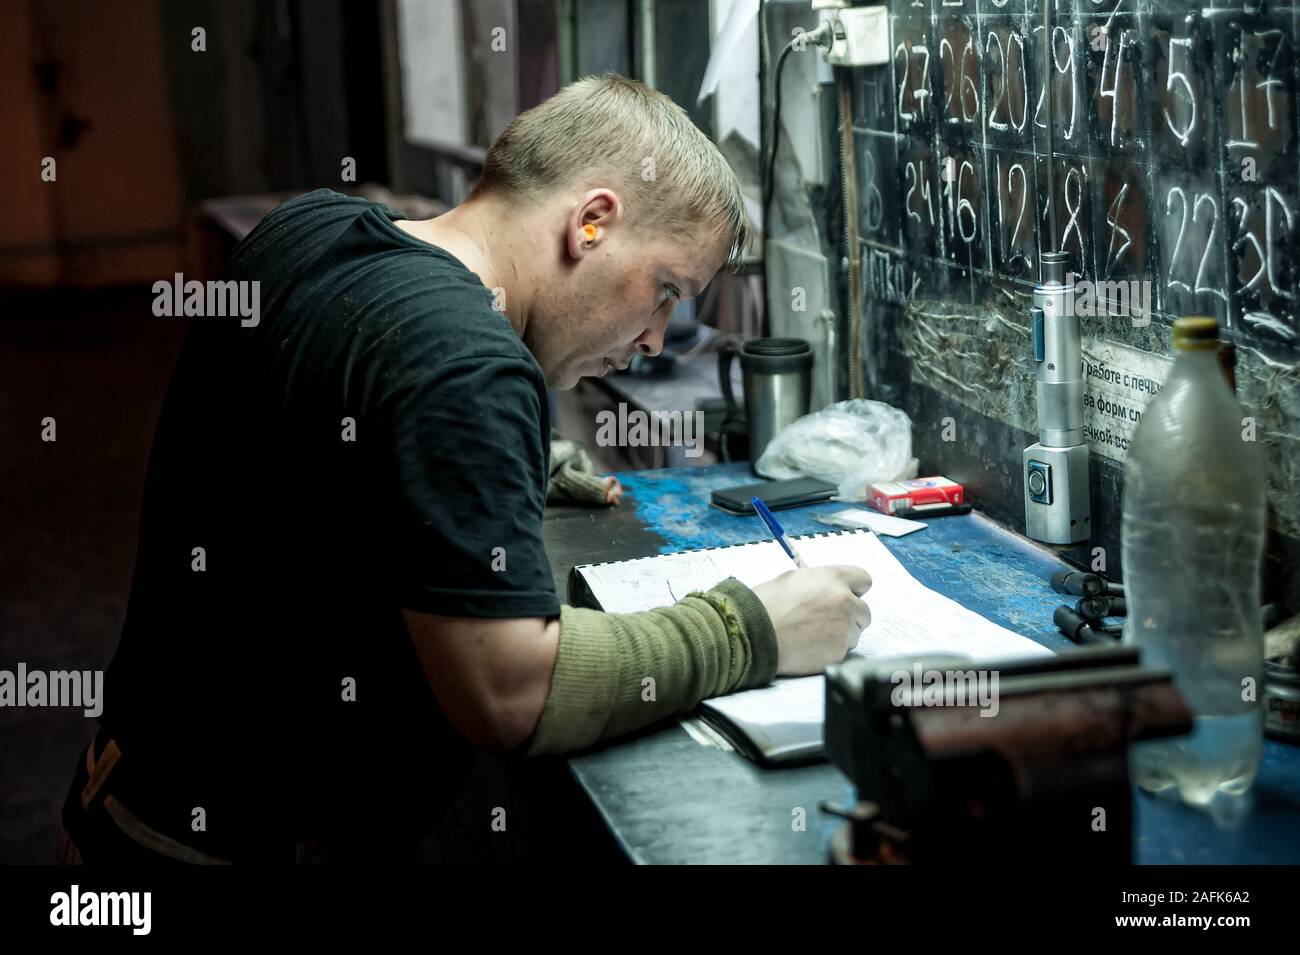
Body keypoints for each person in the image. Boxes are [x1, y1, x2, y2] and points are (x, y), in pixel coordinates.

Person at [58, 74, 871, 864]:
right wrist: (753, 629)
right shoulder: (466, 361)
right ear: (591, 221)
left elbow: (313, 411)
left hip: (122, 801)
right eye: (664, 290)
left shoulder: (310, 229)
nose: (657, 337)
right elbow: (510, 691)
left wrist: (497, 464)